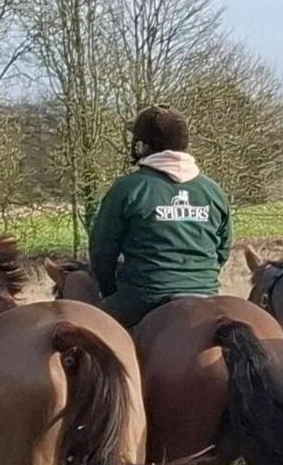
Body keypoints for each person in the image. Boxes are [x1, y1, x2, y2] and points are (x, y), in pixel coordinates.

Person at [85, 106, 233, 327]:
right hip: (205, 293)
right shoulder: (214, 191)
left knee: (89, 333)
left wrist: (109, 293)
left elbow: (102, 252)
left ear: (141, 146)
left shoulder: (128, 188)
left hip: (144, 295)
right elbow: (223, 249)